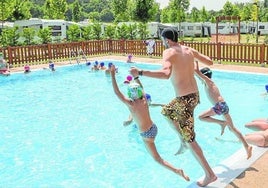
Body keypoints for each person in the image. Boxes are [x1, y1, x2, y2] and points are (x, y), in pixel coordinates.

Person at [130, 27, 217, 187]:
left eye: (163, 41)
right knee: (166, 112)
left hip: (184, 100)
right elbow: (210, 62)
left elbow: (165, 74)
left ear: (167, 40)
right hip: (193, 96)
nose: (163, 43)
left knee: (191, 139)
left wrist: (140, 73)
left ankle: (209, 174)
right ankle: (182, 139)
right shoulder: (189, 50)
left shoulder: (169, 52)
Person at [110, 64, 190, 181]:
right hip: (153, 128)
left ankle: (177, 171)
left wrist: (112, 74)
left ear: (129, 94)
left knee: (157, 159)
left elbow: (117, 92)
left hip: (147, 134)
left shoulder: (131, 104)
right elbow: (142, 88)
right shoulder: (144, 100)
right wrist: (136, 77)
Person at [194, 61, 252, 160]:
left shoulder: (209, 82)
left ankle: (221, 123)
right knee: (232, 128)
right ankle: (247, 146)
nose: (199, 78)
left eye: (201, 77)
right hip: (223, 106)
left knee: (201, 117)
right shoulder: (207, 83)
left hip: (220, 106)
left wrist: (195, 63)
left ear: (205, 76)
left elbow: (198, 73)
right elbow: (197, 74)